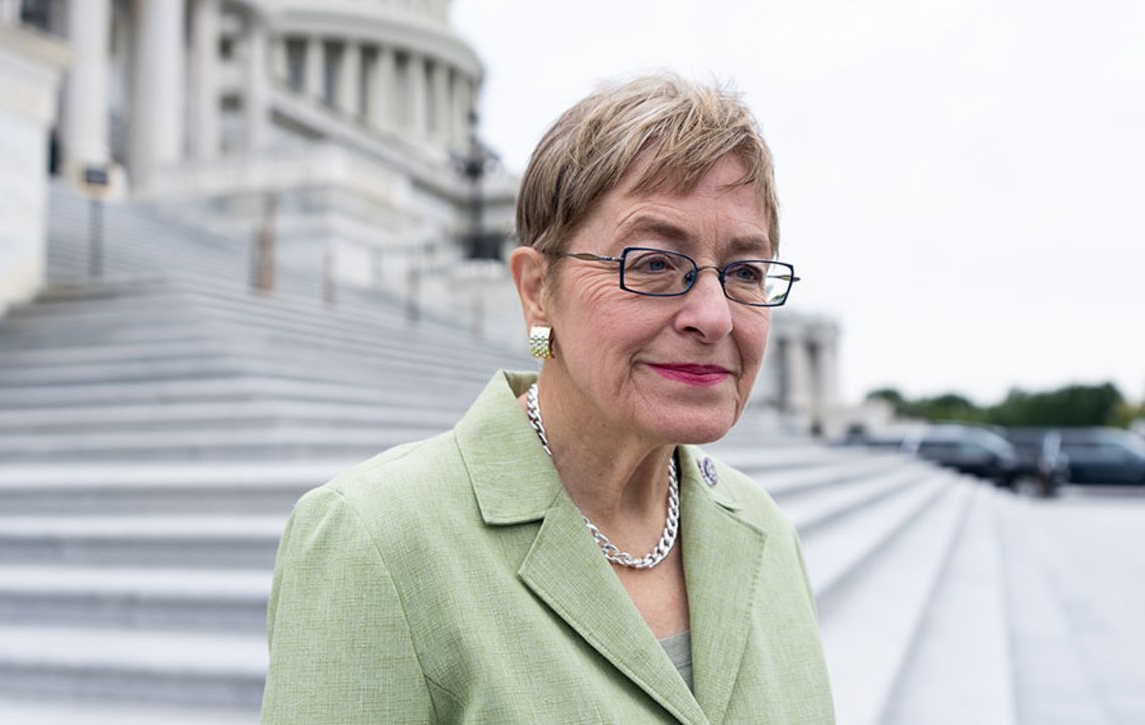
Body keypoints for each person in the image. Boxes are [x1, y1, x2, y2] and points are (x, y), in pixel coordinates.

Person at [261, 73, 835, 724]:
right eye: (651, 263)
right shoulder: (378, 539)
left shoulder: (763, 530)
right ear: (537, 289)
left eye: (745, 272)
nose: (715, 316)